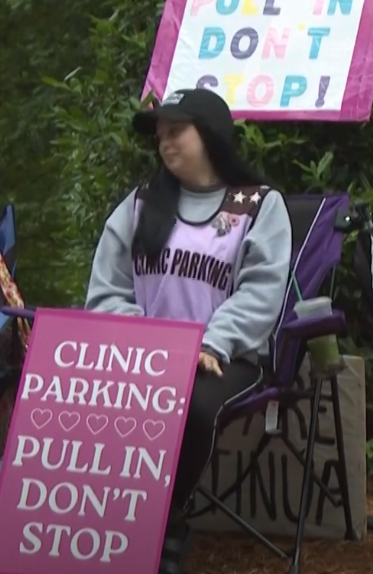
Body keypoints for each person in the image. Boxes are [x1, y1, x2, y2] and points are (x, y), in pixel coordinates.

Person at [84, 88, 293, 574]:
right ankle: (88, 526)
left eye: (176, 131)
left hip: (225, 357)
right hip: (143, 355)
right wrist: (145, 345)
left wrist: (210, 341)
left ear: (212, 135)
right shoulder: (139, 206)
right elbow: (107, 290)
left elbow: (262, 292)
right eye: (160, 135)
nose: (164, 143)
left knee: (192, 407)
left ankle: (159, 524)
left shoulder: (258, 206)